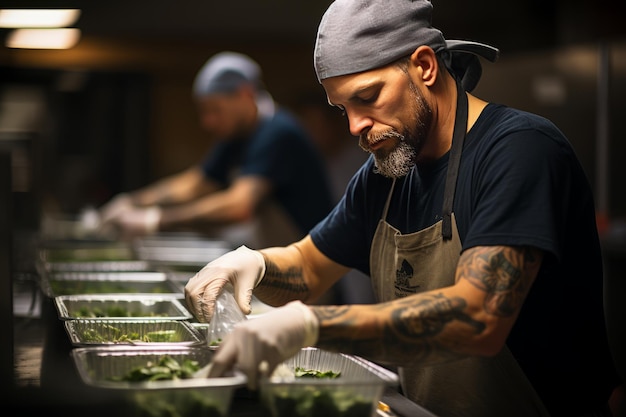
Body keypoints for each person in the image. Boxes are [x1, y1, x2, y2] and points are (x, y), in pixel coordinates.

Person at [184, 2, 622, 417]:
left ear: (425, 66)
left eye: (368, 97)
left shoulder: (520, 151)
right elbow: (308, 265)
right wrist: (255, 264)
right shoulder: (386, 176)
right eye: (343, 109)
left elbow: (478, 316)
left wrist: (309, 326)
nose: (355, 126)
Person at [98, 51, 334, 250]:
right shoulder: (237, 134)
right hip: (275, 256)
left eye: (215, 110)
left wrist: (157, 219)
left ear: (245, 94)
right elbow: (196, 184)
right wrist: (134, 201)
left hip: (309, 265)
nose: (208, 122)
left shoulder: (278, 132)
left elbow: (238, 206)